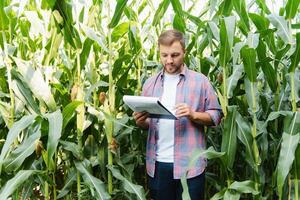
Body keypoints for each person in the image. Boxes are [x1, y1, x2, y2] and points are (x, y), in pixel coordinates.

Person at [133, 29, 222, 200]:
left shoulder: (200, 81)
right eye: (164, 55)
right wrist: (141, 122)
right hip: (158, 166)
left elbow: (216, 116)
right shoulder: (150, 84)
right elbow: (148, 124)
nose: (169, 61)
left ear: (185, 52)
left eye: (175, 55)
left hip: (190, 166)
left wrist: (193, 115)